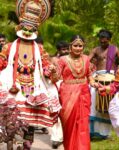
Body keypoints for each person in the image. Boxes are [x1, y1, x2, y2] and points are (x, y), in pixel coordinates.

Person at [0, 0, 61, 149]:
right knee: (12, 122)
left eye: (31, 29)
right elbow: (1, 63)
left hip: (33, 90)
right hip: (13, 88)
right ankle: (13, 143)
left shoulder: (39, 49)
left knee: (30, 124)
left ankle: (25, 146)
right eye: (25, 29)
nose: (27, 32)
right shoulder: (9, 47)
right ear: (19, 27)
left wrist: (50, 70)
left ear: (36, 30)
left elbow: (45, 67)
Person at [58, 35, 99, 150]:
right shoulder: (63, 60)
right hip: (67, 94)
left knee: (82, 125)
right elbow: (55, 78)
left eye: (80, 46)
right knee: (69, 125)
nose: (78, 48)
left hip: (83, 93)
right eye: (75, 45)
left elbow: (89, 75)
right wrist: (51, 71)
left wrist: (93, 82)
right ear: (70, 46)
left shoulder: (86, 59)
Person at [89, 29, 119, 139]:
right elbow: (87, 60)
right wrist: (91, 66)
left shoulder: (115, 50)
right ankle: (93, 132)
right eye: (101, 41)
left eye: (105, 41)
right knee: (94, 102)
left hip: (111, 79)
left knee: (110, 106)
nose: (103, 43)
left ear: (109, 40)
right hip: (98, 78)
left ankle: (106, 133)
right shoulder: (95, 50)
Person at [51, 41, 69, 149]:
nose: (66, 51)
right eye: (63, 49)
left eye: (67, 49)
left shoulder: (72, 60)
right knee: (56, 112)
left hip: (69, 88)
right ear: (58, 50)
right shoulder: (54, 60)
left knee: (66, 113)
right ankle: (55, 138)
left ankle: (64, 137)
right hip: (55, 87)